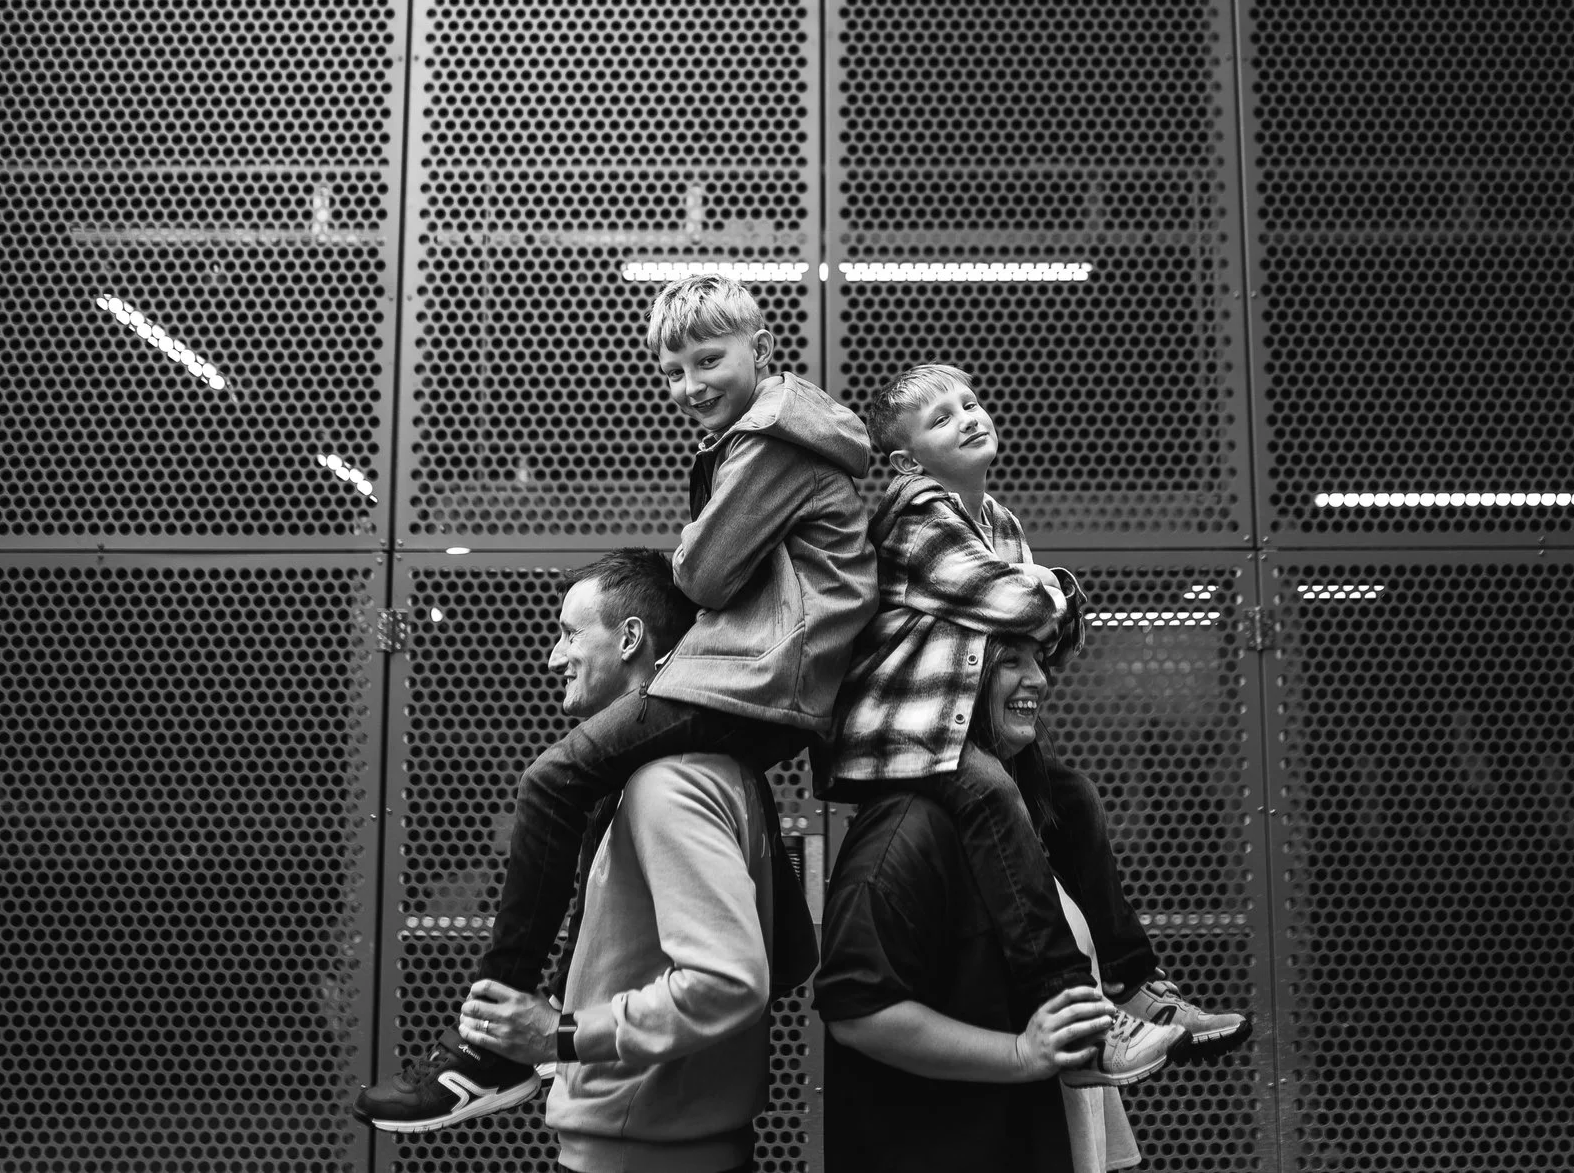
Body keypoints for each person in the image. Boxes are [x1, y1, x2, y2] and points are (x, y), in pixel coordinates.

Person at [359, 273, 874, 1131]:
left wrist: (690, 551)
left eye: (709, 358)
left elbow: (703, 573)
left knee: (553, 778)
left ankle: (486, 1049)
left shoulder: (773, 438)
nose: (691, 384)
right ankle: (783, 944)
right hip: (766, 682)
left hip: (752, 678)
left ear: (763, 349)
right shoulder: (771, 434)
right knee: (601, 791)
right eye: (673, 370)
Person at [827, 363, 1243, 1079]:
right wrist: (1047, 590)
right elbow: (1026, 607)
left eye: (971, 401)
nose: (968, 415)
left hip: (960, 728)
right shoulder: (913, 516)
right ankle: (1077, 1011)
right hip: (907, 730)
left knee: (1072, 794)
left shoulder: (1002, 524)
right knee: (993, 791)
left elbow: (1049, 636)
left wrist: (1040, 597)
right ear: (904, 461)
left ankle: (1138, 985)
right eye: (941, 418)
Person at [440, 549, 781, 1173]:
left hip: (643, 1155)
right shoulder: (699, 773)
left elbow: (728, 983)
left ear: (630, 639)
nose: (552, 657)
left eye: (570, 633)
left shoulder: (666, 785)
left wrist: (561, 1035)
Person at [818, 631, 1141, 1173]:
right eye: (1009, 660)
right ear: (948, 677)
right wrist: (1019, 1055)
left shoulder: (1012, 825)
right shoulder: (904, 835)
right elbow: (858, 1010)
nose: (1038, 678)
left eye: (1038, 659)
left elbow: (1064, 1020)